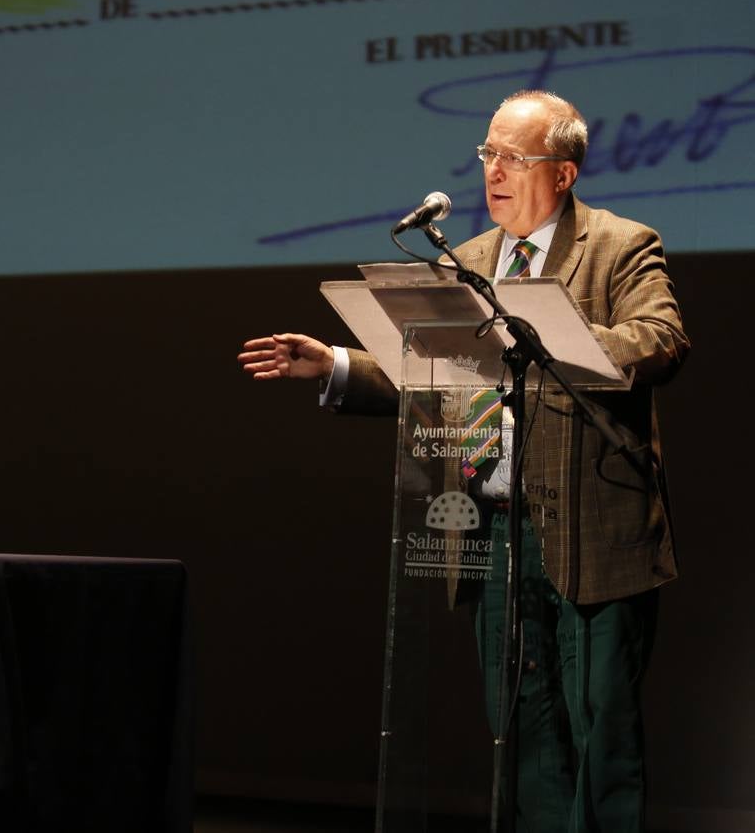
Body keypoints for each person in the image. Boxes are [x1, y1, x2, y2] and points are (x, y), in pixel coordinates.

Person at [238, 90, 688, 832]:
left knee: (601, 726)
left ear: (565, 173)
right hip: (494, 528)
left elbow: (660, 339)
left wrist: (551, 340)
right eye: (488, 154)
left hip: (592, 524)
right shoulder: (467, 261)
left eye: (514, 157)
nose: (494, 171)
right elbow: (432, 372)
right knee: (524, 726)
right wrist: (336, 366)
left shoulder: (619, 245)